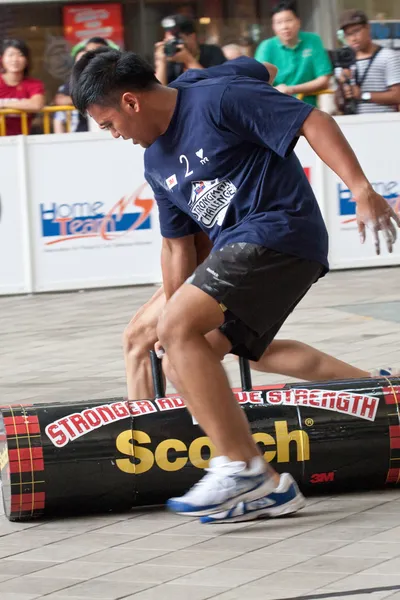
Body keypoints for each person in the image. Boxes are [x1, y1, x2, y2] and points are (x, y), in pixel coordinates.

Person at [71, 50, 399, 525]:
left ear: (130, 102)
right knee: (188, 349)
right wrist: (173, 329)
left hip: (280, 229)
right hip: (246, 251)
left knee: (178, 328)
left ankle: (240, 467)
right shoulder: (156, 161)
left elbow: (313, 119)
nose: (115, 135)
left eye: (109, 124)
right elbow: (177, 249)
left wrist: (361, 187)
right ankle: (266, 484)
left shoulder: (218, 97)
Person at [254, 0, 332, 106]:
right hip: (277, 106)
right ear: (273, 27)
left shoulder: (313, 41)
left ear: (298, 22)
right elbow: (257, 83)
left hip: (310, 108)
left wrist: (291, 89)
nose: (284, 26)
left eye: (288, 20)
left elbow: (324, 80)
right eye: (279, 23)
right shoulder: (266, 47)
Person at [335, 9, 400, 114]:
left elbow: (397, 96)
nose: (353, 38)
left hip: (383, 122)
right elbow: (338, 104)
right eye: (348, 34)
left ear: (368, 28)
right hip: (352, 122)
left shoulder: (388, 56)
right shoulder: (343, 60)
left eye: (356, 31)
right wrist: (341, 85)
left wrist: (363, 95)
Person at [154, 14, 226, 85]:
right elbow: (157, 93)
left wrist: (188, 60)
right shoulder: (170, 60)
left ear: (192, 37)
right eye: (168, 41)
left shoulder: (212, 52)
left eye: (176, 40)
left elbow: (216, 86)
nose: (174, 45)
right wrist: (161, 63)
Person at [0, 39, 45, 136]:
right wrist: (23, 104)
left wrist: (2, 103)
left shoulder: (34, 84)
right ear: (2, 59)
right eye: (10, 55)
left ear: (27, 60)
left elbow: (37, 104)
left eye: (20, 55)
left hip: (23, 140)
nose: (15, 59)